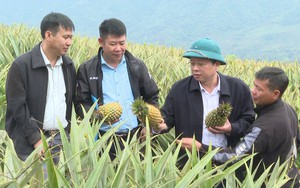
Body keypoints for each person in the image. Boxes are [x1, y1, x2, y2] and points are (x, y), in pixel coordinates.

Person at [181, 67, 300, 187]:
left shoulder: (264, 127)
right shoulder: (288, 109)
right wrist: (231, 128)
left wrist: (200, 148)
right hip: (291, 179)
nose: (252, 91)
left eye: (259, 89)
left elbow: (235, 156)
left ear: (275, 94)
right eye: (254, 85)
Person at [159, 38, 255, 166]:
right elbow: (167, 118)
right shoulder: (180, 89)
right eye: (192, 64)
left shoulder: (238, 88)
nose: (195, 69)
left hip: (226, 161)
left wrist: (231, 128)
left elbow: (249, 121)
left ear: (217, 64)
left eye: (201, 64)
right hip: (189, 162)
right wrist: (158, 125)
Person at [75, 18, 159, 159]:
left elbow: (152, 95)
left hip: (135, 137)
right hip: (103, 139)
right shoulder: (87, 69)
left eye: (122, 43)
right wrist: (98, 117)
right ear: (101, 42)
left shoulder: (137, 66)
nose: (118, 48)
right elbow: (80, 103)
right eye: (112, 44)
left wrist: (148, 125)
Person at [5, 12, 76, 164]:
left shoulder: (68, 66)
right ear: (48, 35)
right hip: (30, 143)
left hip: (61, 140)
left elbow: (69, 101)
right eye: (65, 37)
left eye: (71, 37)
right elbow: (17, 106)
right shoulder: (21, 65)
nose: (69, 42)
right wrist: (36, 139)